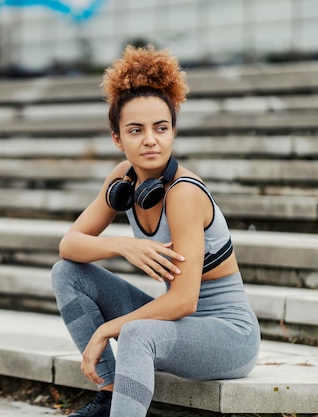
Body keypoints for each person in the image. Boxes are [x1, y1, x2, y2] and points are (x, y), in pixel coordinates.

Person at [50, 44, 261, 417]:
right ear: (118, 138)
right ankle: (111, 395)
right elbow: (69, 245)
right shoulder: (123, 180)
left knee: (136, 331)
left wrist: (105, 330)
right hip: (179, 326)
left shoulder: (183, 194)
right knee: (66, 273)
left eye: (161, 128)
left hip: (228, 336)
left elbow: (184, 301)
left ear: (173, 131)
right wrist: (121, 246)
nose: (150, 139)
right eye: (136, 130)